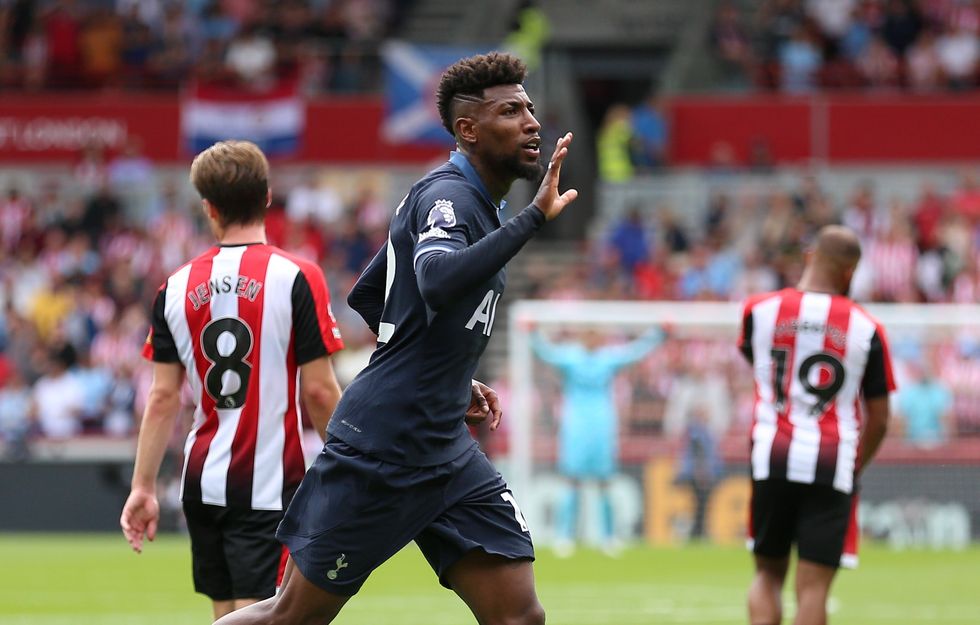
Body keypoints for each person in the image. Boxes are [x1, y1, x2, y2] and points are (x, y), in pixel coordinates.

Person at [213, 51, 578, 625]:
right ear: (468, 129)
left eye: (530, 108)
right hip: (383, 449)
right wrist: (531, 219)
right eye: (511, 111)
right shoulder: (449, 197)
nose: (532, 121)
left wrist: (450, 372)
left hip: (446, 451)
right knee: (291, 618)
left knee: (518, 615)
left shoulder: (474, 201)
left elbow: (372, 294)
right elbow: (434, 280)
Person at [119, 140, 346, 621]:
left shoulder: (174, 286)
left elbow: (162, 398)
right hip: (266, 480)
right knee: (264, 614)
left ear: (209, 207)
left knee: (227, 615)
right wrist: (353, 466)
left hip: (201, 481)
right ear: (267, 196)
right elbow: (321, 391)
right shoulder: (297, 275)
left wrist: (142, 487)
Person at [737, 225, 895, 625]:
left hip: (772, 455)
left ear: (809, 257)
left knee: (767, 575)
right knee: (813, 589)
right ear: (849, 273)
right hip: (832, 460)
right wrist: (855, 464)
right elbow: (880, 417)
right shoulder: (867, 328)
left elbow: (756, 363)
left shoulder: (758, 311)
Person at [532, 327, 661, 555]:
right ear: (583, 338)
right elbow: (547, 354)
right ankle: (564, 537)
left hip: (601, 425)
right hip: (576, 427)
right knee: (572, 481)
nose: (593, 340)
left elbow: (635, 352)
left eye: (596, 336)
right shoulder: (571, 358)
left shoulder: (607, 359)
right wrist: (533, 333)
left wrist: (658, 334)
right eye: (589, 335)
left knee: (604, 482)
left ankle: (608, 538)